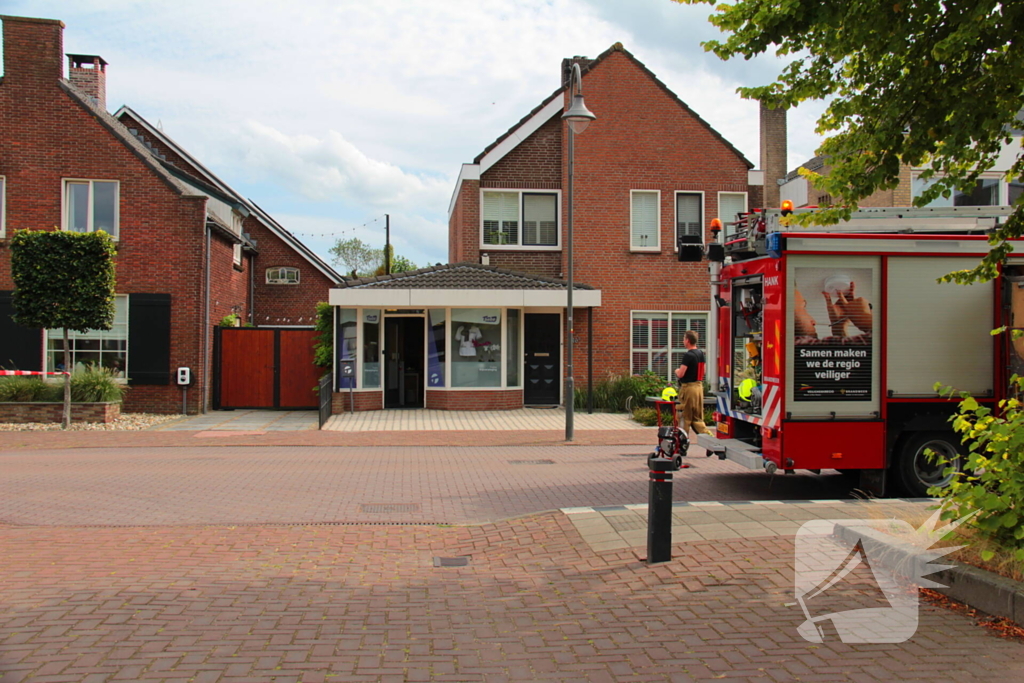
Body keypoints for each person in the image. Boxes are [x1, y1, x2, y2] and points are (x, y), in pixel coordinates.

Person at [674, 330, 709, 436]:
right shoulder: (700, 353)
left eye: (684, 339)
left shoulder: (688, 355)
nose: (683, 341)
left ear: (688, 340)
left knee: (684, 417)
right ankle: (709, 439)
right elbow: (703, 371)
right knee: (697, 418)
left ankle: (681, 441)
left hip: (688, 389)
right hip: (698, 388)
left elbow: (681, 374)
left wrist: (676, 371)